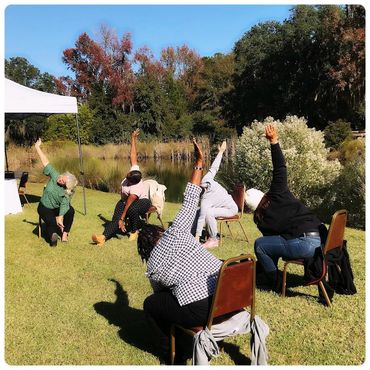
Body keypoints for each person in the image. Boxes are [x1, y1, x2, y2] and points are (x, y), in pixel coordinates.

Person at [137, 139, 222, 364]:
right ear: (161, 232)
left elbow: (160, 294)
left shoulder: (153, 265)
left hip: (202, 308)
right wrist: (198, 163)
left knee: (152, 304)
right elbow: (191, 196)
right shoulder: (178, 231)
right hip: (226, 294)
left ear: (145, 250)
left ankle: (172, 352)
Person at [245, 124, 322, 291]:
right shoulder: (278, 192)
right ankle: (270, 275)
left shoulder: (260, 220)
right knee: (266, 245)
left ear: (252, 209)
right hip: (322, 240)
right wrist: (274, 141)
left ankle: (275, 281)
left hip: (304, 244)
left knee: (260, 244)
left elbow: (269, 246)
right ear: (262, 194)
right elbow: (280, 168)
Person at [92, 129, 151, 246]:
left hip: (143, 202)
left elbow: (128, 204)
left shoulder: (135, 189)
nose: (126, 175)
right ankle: (102, 238)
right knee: (115, 219)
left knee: (131, 209)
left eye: (128, 177)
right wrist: (133, 138)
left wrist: (122, 219)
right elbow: (133, 155)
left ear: (132, 182)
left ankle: (134, 231)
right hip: (126, 201)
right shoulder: (134, 172)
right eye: (128, 174)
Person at [195, 140, 238, 249]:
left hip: (231, 209)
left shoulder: (206, 198)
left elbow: (202, 217)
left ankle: (214, 239)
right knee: (199, 210)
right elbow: (214, 167)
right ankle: (191, 232)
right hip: (222, 206)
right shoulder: (207, 179)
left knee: (207, 212)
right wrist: (221, 152)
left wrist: (197, 237)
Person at [35, 138, 78, 247]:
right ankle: (53, 237)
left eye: (64, 183)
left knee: (71, 211)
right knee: (51, 222)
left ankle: (65, 234)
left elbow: (65, 204)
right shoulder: (55, 175)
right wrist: (37, 147)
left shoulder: (67, 191)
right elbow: (45, 162)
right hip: (45, 206)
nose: (61, 181)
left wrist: (61, 216)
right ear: (65, 174)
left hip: (57, 208)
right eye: (63, 179)